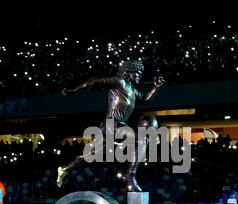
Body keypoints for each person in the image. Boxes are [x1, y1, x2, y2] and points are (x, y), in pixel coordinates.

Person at [57, 60, 165, 192]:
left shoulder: (133, 90)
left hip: (114, 127)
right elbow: (95, 81)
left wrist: (156, 87)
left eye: (140, 74)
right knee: (142, 139)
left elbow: (145, 100)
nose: (139, 76)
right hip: (112, 124)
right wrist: (74, 90)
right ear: (128, 72)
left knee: (90, 156)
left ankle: (64, 169)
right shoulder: (119, 82)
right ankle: (130, 176)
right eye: (137, 73)